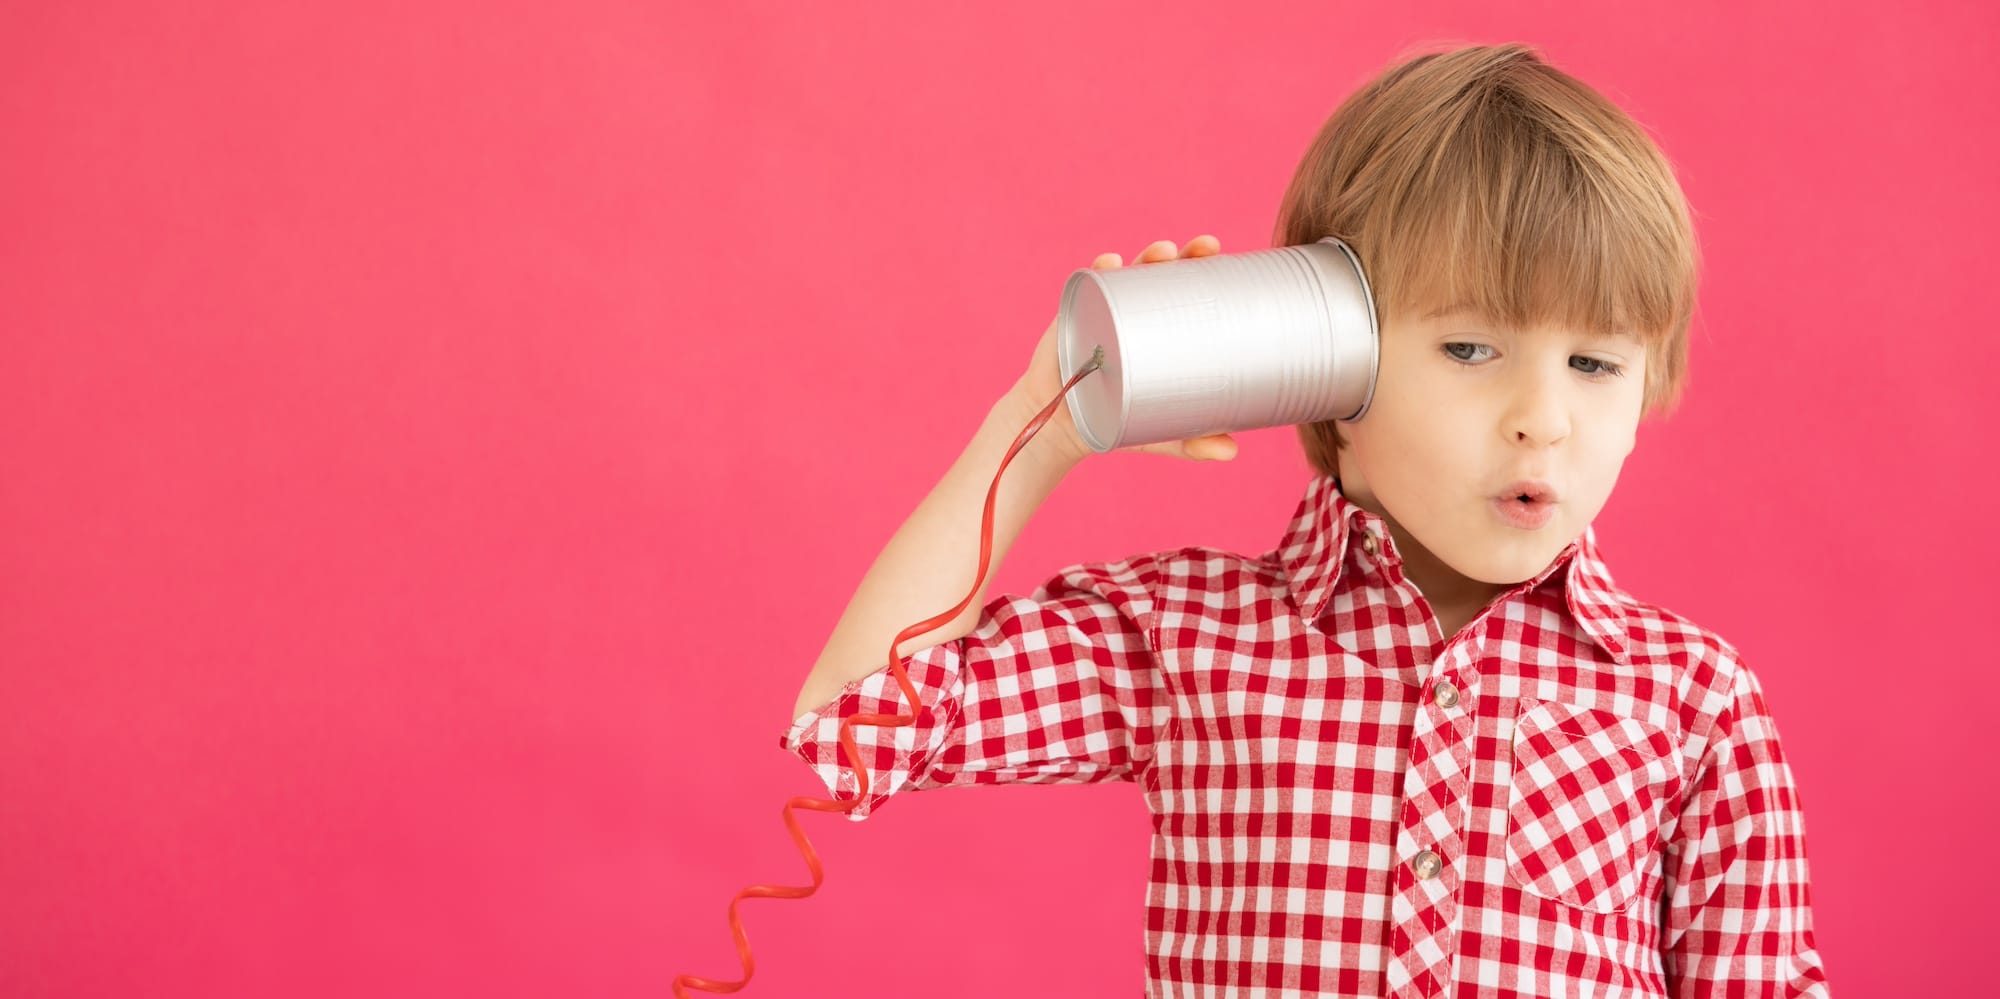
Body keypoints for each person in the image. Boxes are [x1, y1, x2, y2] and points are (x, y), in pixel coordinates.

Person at [779, 41, 1829, 997]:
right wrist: (1043, 421)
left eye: (1594, 365)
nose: (1540, 422)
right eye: (1469, 350)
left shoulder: (1692, 702)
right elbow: (858, 722)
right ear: (1326, 347)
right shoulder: (1186, 636)